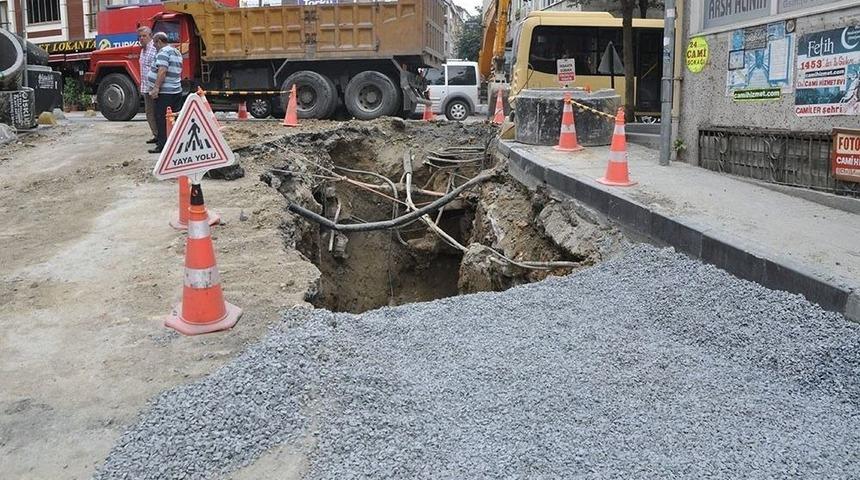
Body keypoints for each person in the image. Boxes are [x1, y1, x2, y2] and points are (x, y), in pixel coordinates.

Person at [147, 31, 183, 154]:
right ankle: (175, 143)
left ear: (159, 41)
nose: (154, 46)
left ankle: (163, 146)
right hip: (175, 90)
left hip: (165, 93)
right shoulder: (176, 51)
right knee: (173, 118)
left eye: (154, 43)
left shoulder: (163, 52)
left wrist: (156, 88)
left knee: (162, 119)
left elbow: (162, 71)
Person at [137, 26, 158, 145]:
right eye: (140, 36)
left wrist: (156, 87)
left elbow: (159, 68)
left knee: (157, 113)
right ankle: (156, 135)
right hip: (146, 88)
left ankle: (161, 136)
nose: (141, 38)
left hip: (154, 88)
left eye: (144, 36)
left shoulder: (154, 49)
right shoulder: (143, 50)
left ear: (150, 36)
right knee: (149, 113)